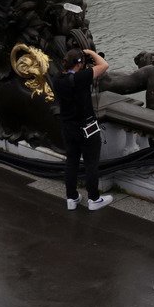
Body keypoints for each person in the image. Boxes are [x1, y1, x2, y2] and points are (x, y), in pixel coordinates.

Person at [54, 48, 112, 211]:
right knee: (91, 163)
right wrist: (91, 53)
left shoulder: (57, 79)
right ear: (79, 64)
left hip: (68, 127)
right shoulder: (82, 77)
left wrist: (82, 59)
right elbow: (104, 65)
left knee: (71, 162)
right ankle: (94, 199)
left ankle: (71, 198)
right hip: (87, 127)